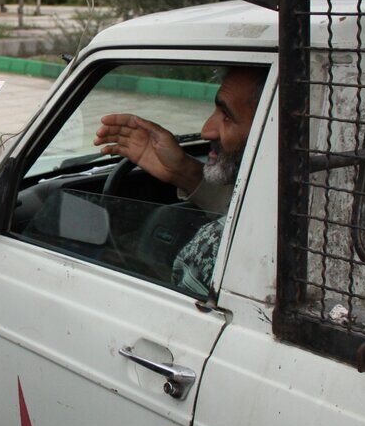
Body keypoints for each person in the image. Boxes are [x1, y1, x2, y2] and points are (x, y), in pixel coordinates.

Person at [94, 66, 266, 296]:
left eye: (227, 117)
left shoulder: (215, 245)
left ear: (270, 129)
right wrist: (183, 171)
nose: (206, 131)